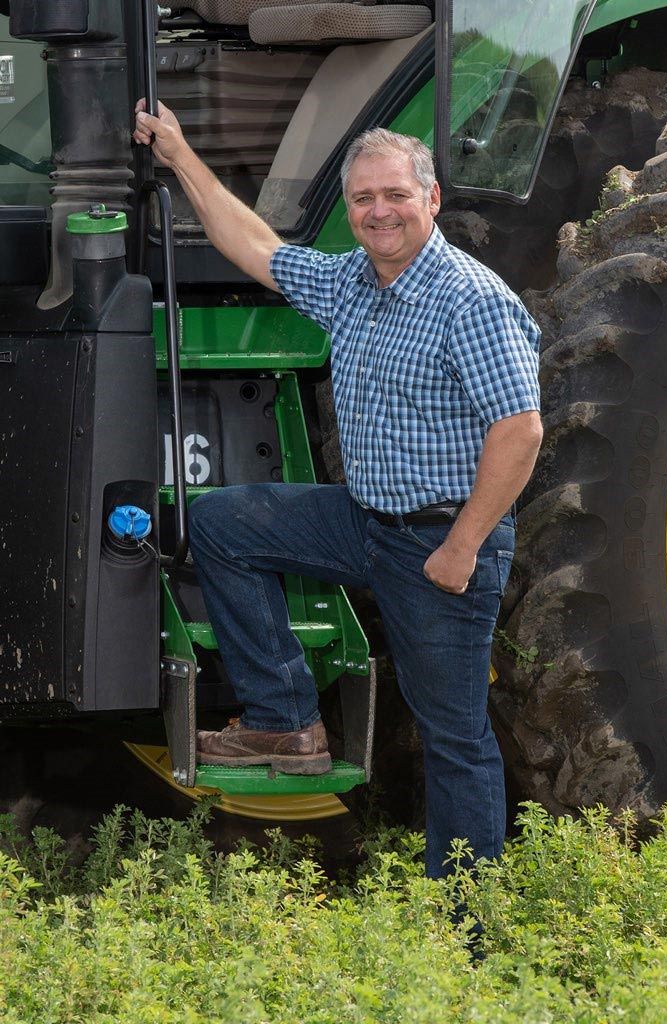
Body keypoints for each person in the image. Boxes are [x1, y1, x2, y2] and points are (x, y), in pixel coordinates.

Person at [133, 100, 543, 878]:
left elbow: (519, 433)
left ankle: (466, 917)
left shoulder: (473, 300)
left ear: (431, 199)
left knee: (452, 735)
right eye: (363, 199)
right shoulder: (352, 281)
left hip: (440, 539)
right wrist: (181, 156)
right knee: (221, 521)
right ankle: (286, 721)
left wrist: (460, 548)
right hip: (365, 520)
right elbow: (254, 246)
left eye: (394, 195)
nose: (378, 211)